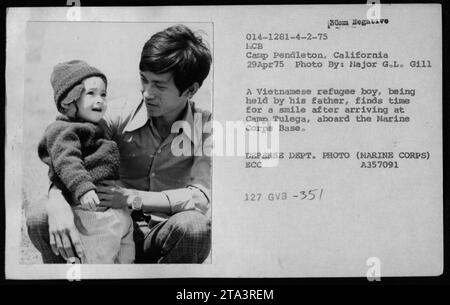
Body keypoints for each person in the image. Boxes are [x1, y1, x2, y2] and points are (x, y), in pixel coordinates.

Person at [26, 24, 212, 264]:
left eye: (159, 85)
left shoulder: (205, 126)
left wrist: (131, 197)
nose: (147, 93)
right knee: (40, 215)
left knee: (195, 227)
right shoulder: (115, 115)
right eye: (144, 80)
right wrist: (56, 200)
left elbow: (199, 198)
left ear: (190, 90)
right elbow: (68, 155)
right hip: (108, 229)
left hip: (164, 234)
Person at [36, 60, 134, 264]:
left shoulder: (96, 126)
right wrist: (83, 187)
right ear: (69, 102)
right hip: (90, 208)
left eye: (104, 94)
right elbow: (67, 160)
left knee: (125, 253)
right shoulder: (63, 130)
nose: (100, 100)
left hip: (115, 210)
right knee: (99, 254)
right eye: (91, 94)